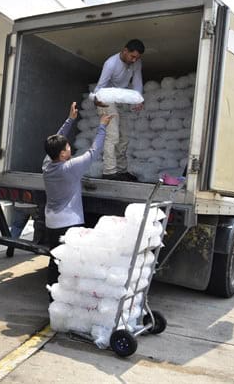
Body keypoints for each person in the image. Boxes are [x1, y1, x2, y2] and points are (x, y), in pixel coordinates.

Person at [42, 102, 113, 285]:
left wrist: (70, 120)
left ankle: (53, 296)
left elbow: (56, 141)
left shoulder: (47, 165)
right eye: (66, 148)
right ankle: (65, 295)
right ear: (63, 154)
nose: (69, 148)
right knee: (69, 263)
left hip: (51, 222)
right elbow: (94, 151)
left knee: (55, 259)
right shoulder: (70, 168)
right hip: (69, 224)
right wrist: (102, 126)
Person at [93, 39, 145, 182]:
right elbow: (100, 86)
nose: (134, 60)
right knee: (113, 135)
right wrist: (97, 100)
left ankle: (122, 170)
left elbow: (137, 81)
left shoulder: (136, 63)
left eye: (137, 58)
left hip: (120, 98)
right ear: (124, 51)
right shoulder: (111, 64)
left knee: (125, 137)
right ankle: (109, 171)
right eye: (132, 56)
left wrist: (138, 98)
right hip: (106, 98)